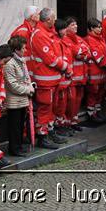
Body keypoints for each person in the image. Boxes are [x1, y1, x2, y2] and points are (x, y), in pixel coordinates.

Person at [30, 8, 66, 148]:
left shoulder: (48, 33)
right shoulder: (40, 35)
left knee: (51, 108)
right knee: (44, 109)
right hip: (45, 80)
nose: (55, 20)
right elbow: (50, 58)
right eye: (53, 18)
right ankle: (42, 136)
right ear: (48, 20)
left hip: (53, 78)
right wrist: (64, 66)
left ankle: (49, 131)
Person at [3, 35, 34, 157]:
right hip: (14, 101)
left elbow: (25, 77)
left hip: (22, 99)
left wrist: (30, 86)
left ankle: (19, 146)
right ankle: (14, 148)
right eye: (23, 48)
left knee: (20, 124)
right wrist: (28, 90)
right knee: (14, 126)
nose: (25, 50)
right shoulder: (10, 64)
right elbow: (12, 84)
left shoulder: (21, 60)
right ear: (16, 49)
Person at [62, 18, 89, 133]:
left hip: (81, 76)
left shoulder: (79, 39)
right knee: (70, 100)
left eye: (76, 24)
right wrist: (81, 52)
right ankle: (67, 122)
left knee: (78, 100)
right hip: (72, 77)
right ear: (66, 27)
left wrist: (82, 52)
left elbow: (88, 51)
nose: (76, 26)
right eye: (73, 25)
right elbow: (77, 52)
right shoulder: (66, 39)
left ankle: (74, 121)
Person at [83, 18, 106, 123]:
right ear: (91, 28)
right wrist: (105, 63)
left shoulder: (101, 39)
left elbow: (105, 53)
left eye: (100, 26)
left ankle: (97, 111)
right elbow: (96, 54)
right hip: (94, 71)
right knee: (93, 93)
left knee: (100, 92)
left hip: (102, 72)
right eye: (97, 27)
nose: (100, 29)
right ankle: (91, 114)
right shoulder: (89, 39)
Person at [52, 19, 74, 137]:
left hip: (67, 77)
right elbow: (59, 60)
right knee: (59, 103)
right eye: (63, 28)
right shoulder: (55, 42)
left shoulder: (64, 41)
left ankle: (62, 123)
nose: (65, 30)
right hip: (60, 78)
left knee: (65, 102)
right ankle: (58, 125)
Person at [10, 6, 40, 76]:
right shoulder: (22, 32)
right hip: (24, 69)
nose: (40, 16)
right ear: (32, 17)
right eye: (38, 14)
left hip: (30, 67)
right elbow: (17, 53)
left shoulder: (33, 29)